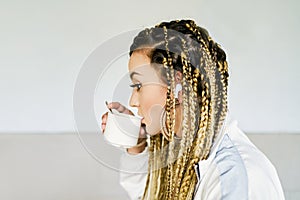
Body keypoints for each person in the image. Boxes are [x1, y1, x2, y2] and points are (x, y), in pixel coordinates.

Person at [101, 19, 285, 200]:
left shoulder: (233, 179)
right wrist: (136, 144)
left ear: (177, 85)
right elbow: (150, 192)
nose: (133, 102)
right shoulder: (182, 148)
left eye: (139, 86)